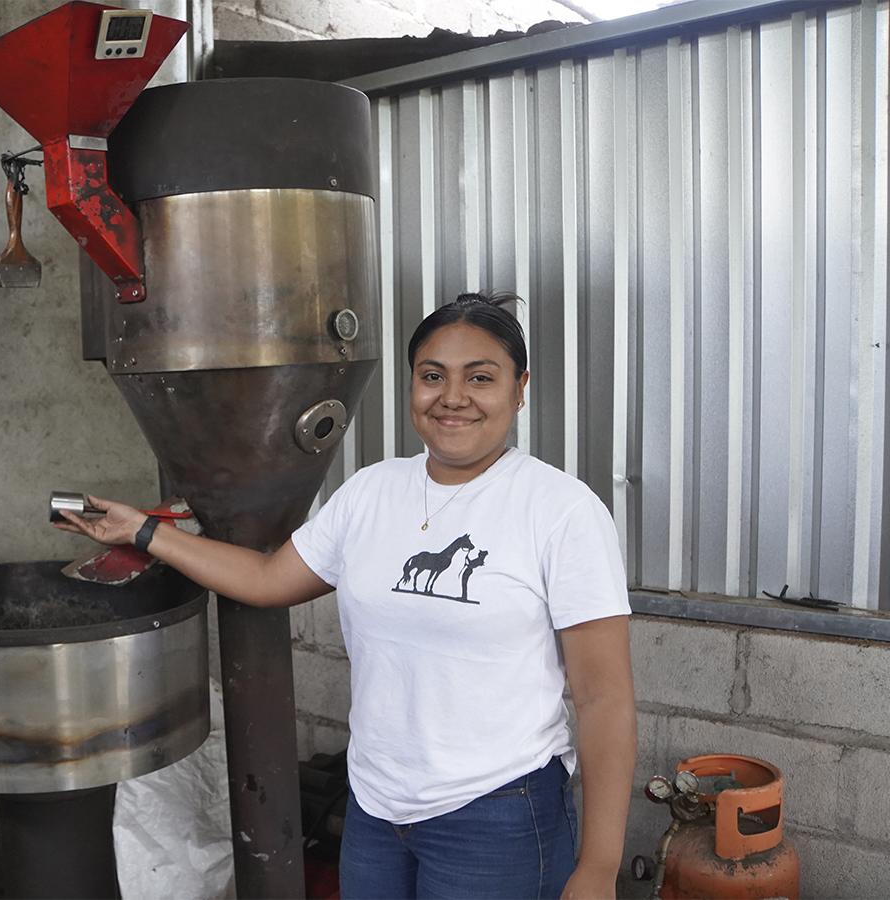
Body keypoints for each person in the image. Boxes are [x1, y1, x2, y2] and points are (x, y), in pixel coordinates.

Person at [56, 291, 636, 899]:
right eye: (432, 376)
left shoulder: (562, 511)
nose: (453, 397)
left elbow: (603, 699)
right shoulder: (371, 493)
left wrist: (598, 866)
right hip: (376, 809)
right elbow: (266, 579)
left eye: (481, 378)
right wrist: (143, 532)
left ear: (519, 389)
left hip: (497, 813)